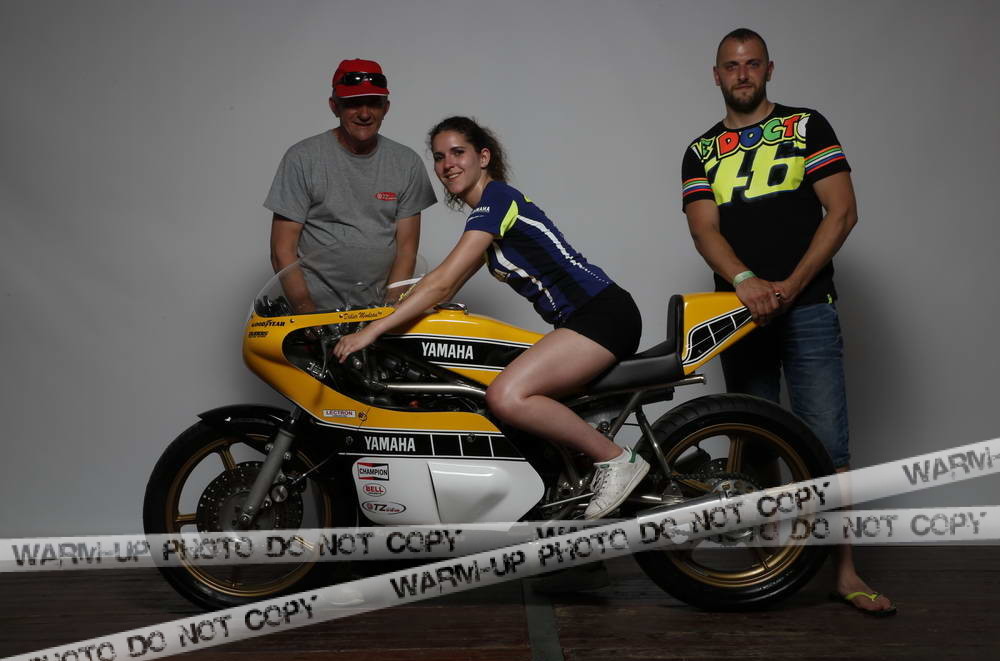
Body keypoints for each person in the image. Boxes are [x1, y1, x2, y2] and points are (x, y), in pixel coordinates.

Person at [335, 116, 648, 520]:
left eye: (458, 152)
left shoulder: (497, 200)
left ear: (484, 157)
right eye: (439, 157)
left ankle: (618, 460)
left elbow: (441, 284)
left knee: (506, 396)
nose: (447, 164)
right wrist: (382, 311)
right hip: (584, 321)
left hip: (602, 314)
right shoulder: (487, 220)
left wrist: (371, 331)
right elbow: (441, 286)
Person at [681, 28, 895, 616]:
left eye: (752, 64)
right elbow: (703, 230)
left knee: (829, 443)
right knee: (755, 440)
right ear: (717, 75)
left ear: (769, 69)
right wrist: (747, 282)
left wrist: (793, 285)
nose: (742, 74)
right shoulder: (700, 150)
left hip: (809, 306)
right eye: (732, 66)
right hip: (740, 314)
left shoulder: (806, 126)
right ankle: (773, 566)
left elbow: (842, 211)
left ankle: (845, 572)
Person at [264, 59, 436, 309]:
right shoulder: (302, 158)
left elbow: (406, 251)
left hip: (376, 313)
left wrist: (388, 314)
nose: (365, 114)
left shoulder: (407, 163)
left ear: (386, 108)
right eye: (353, 103)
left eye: (373, 103)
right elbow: (282, 251)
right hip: (312, 312)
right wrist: (309, 317)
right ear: (335, 107)